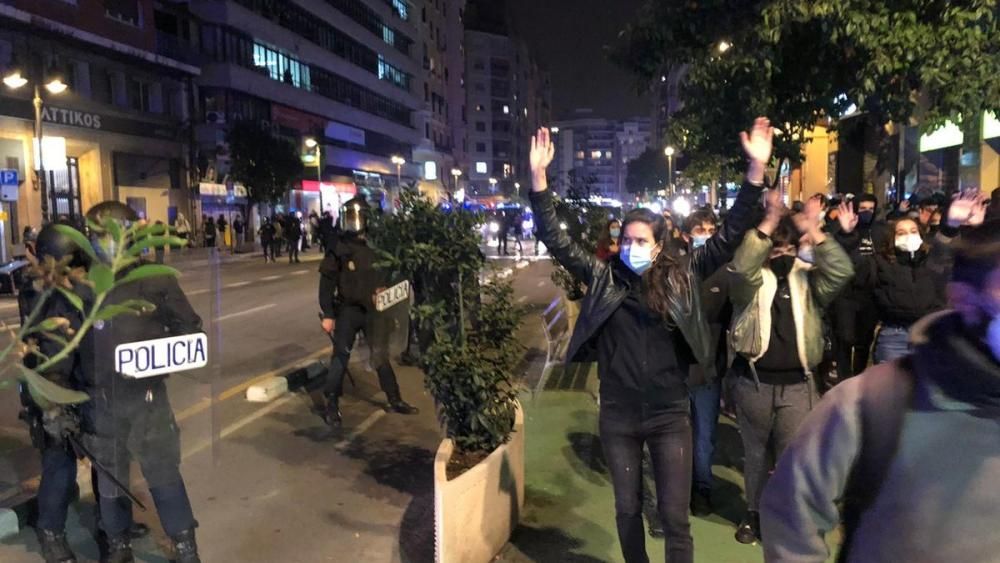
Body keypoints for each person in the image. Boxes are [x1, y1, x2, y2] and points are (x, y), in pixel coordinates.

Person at [528, 119, 774, 563]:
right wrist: (539, 181)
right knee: (627, 511)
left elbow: (730, 233)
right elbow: (556, 240)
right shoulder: (604, 278)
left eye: (640, 241)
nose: (630, 247)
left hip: (669, 415)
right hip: (619, 415)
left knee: (675, 518)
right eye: (625, 240)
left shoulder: (682, 276)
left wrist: (755, 171)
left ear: (660, 246)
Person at [759, 217, 998, 563]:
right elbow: (792, 509)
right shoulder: (873, 401)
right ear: (963, 297)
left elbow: (839, 270)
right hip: (781, 375)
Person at [82, 201, 203, 563]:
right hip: (99, 400)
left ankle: (185, 546)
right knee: (110, 478)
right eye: (97, 237)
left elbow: (189, 329)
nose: (104, 244)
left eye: (110, 236)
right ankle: (118, 544)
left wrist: (154, 356)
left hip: (146, 398)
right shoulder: (85, 283)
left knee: (162, 471)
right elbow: (69, 343)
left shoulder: (155, 278)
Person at [727, 200, 854, 544]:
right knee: (755, 456)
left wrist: (814, 229)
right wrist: (767, 222)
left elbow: (842, 271)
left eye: (788, 246)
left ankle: (783, 516)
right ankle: (753, 513)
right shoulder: (751, 282)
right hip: (754, 383)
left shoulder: (809, 281)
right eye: (775, 247)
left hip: (799, 386)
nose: (782, 253)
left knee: (791, 458)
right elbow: (739, 269)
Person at [316, 196, 419, 427]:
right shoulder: (338, 247)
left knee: (380, 355)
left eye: (357, 217)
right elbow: (326, 283)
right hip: (348, 311)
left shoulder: (376, 245)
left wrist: (386, 290)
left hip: (375, 310)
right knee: (340, 356)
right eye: (349, 218)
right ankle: (331, 404)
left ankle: (394, 398)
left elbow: (391, 273)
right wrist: (329, 314)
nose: (353, 223)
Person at [677, 208, 728, 516]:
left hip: (709, 369)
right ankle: (677, 488)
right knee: (676, 433)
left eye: (710, 230)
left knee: (705, 435)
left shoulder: (726, 272)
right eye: (700, 230)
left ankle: (702, 488)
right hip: (677, 369)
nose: (705, 235)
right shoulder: (673, 271)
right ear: (686, 236)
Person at [831, 195, 888, 379]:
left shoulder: (880, 232)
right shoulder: (841, 230)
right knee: (845, 339)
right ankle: (843, 378)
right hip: (846, 294)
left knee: (864, 340)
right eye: (862, 208)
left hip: (870, 295)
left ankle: (858, 376)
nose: (867, 212)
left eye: (871, 208)